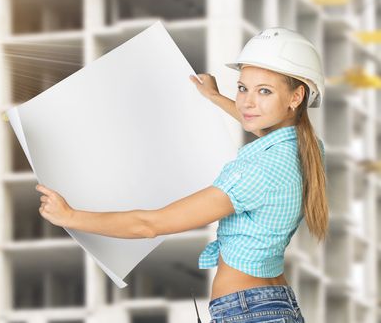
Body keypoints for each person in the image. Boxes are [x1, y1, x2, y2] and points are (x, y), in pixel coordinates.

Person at [35, 27, 328, 323]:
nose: (247, 102)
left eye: (264, 91)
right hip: (275, 305)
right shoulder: (307, 149)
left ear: (296, 97)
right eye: (243, 88)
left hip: (249, 312)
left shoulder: (258, 171)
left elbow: (149, 225)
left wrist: (70, 217)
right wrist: (214, 96)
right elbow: (255, 119)